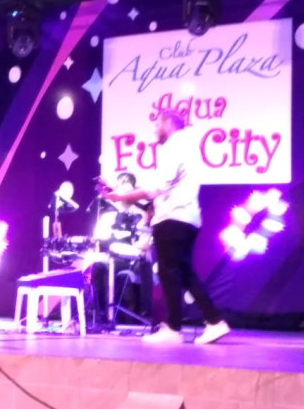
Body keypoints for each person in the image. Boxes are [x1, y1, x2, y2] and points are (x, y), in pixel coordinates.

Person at [104, 109, 230, 344]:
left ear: (169, 124)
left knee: (169, 272)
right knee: (183, 272)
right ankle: (214, 321)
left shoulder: (175, 146)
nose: (155, 130)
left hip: (174, 217)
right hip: (186, 217)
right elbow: (163, 189)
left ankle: (173, 329)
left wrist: (120, 196)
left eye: (157, 125)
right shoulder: (186, 146)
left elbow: (157, 187)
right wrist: (134, 199)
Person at [90, 172, 153, 325]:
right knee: (97, 267)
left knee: (145, 265)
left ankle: (145, 312)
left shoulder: (142, 215)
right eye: (122, 189)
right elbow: (99, 237)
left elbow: (145, 243)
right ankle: (99, 313)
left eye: (128, 191)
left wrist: (137, 246)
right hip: (113, 258)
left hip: (134, 259)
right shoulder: (109, 214)